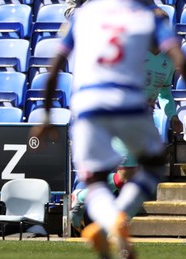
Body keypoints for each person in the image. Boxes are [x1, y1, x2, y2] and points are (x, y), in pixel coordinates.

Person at [30, 0, 186, 258]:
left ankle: (103, 219)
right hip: (128, 103)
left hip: (89, 105)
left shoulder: (85, 15)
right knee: (153, 167)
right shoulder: (146, 16)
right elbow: (178, 57)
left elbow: (56, 63)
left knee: (96, 181)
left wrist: (45, 115)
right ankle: (113, 221)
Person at [70, 45, 184, 233]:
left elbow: (164, 94)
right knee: (126, 175)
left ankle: (112, 218)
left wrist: (173, 116)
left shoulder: (168, 61)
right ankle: (85, 199)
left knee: (141, 175)